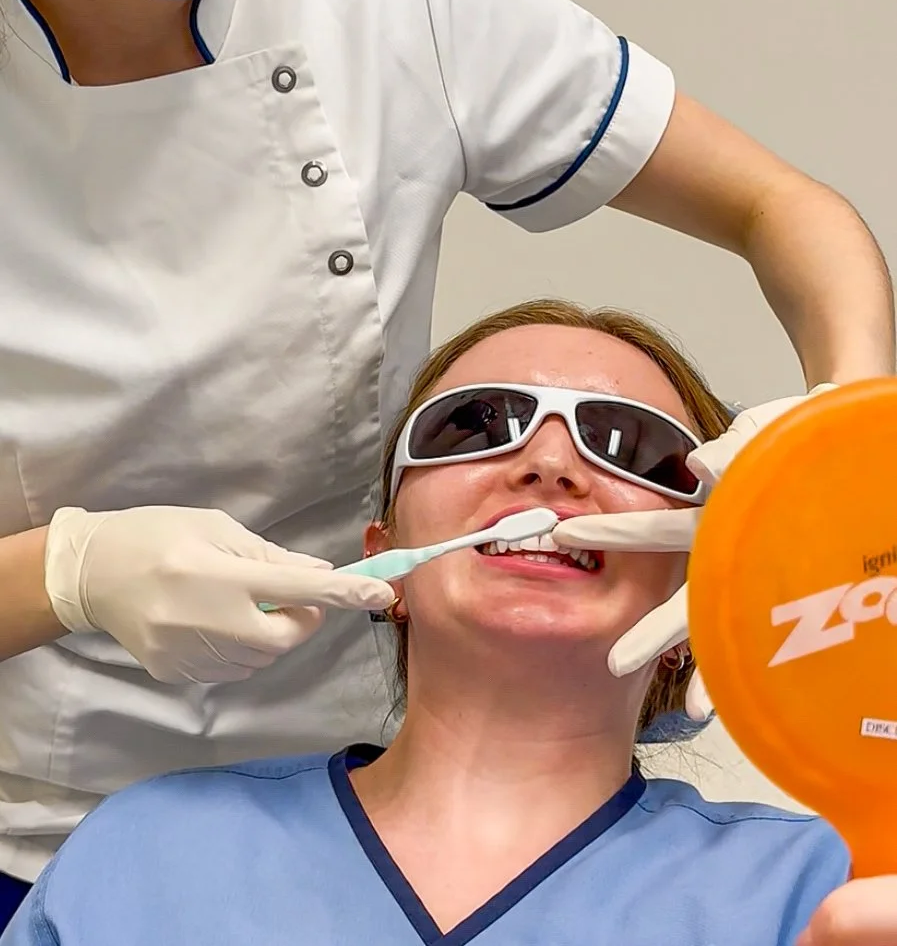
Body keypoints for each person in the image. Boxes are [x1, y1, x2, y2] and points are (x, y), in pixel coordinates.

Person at [0, 0, 892, 924]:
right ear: (378, 524)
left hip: (354, 747)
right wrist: (66, 576)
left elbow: (781, 208)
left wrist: (838, 450)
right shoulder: (126, 886)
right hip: (43, 813)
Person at [2, 297, 889, 946]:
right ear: (385, 553)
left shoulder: (821, 885)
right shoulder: (150, 850)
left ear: (703, 573)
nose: (548, 463)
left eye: (629, 443)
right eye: (475, 425)